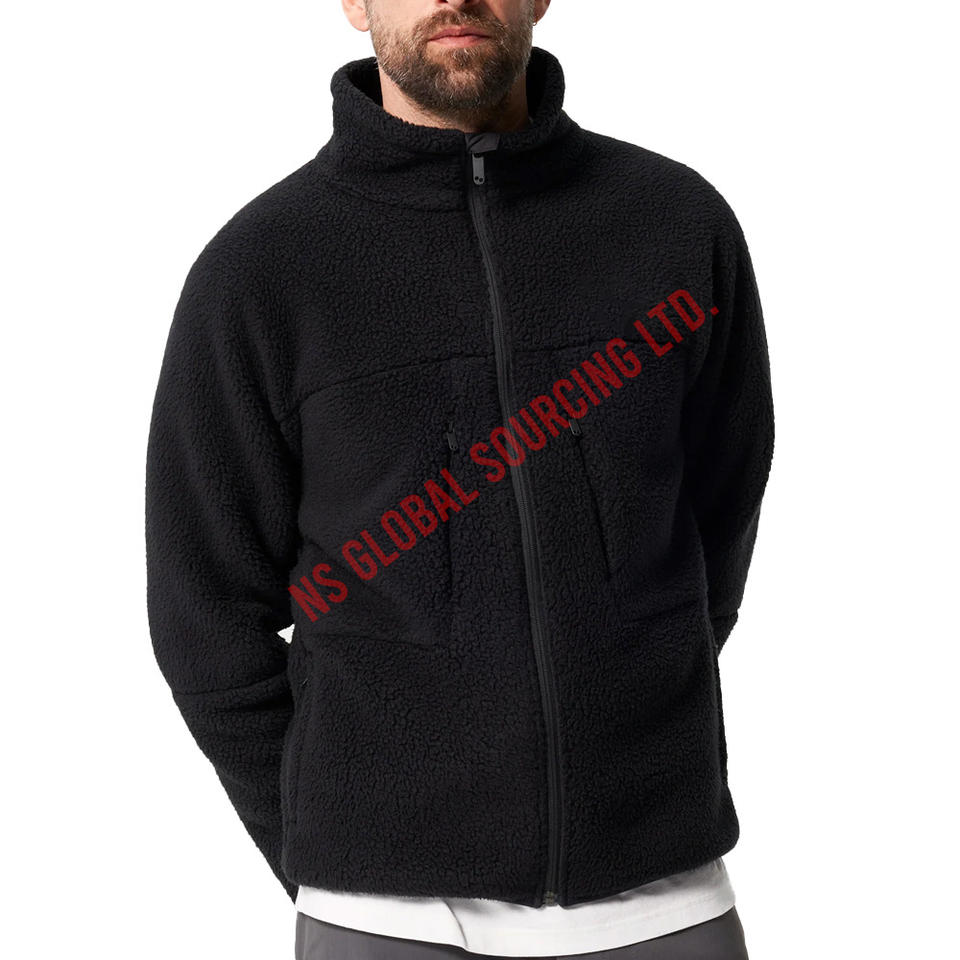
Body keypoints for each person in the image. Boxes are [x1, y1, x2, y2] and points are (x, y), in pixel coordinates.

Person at [144, 1, 775, 957]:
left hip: (661, 896)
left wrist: (632, 705)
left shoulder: (677, 226)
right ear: (355, 2)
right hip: (382, 917)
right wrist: (332, 838)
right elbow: (204, 617)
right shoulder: (262, 271)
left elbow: (720, 520)